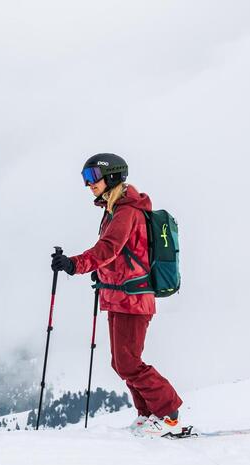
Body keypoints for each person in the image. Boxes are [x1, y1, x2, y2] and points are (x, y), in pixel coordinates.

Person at [51, 153, 183, 437]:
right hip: (120, 297)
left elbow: (108, 248)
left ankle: (169, 414)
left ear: (110, 176)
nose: (89, 185)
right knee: (121, 362)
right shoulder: (114, 210)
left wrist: (75, 264)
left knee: (129, 363)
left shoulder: (127, 211)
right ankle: (147, 415)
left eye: (92, 178)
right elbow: (120, 256)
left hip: (133, 299)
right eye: (86, 179)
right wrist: (101, 275)